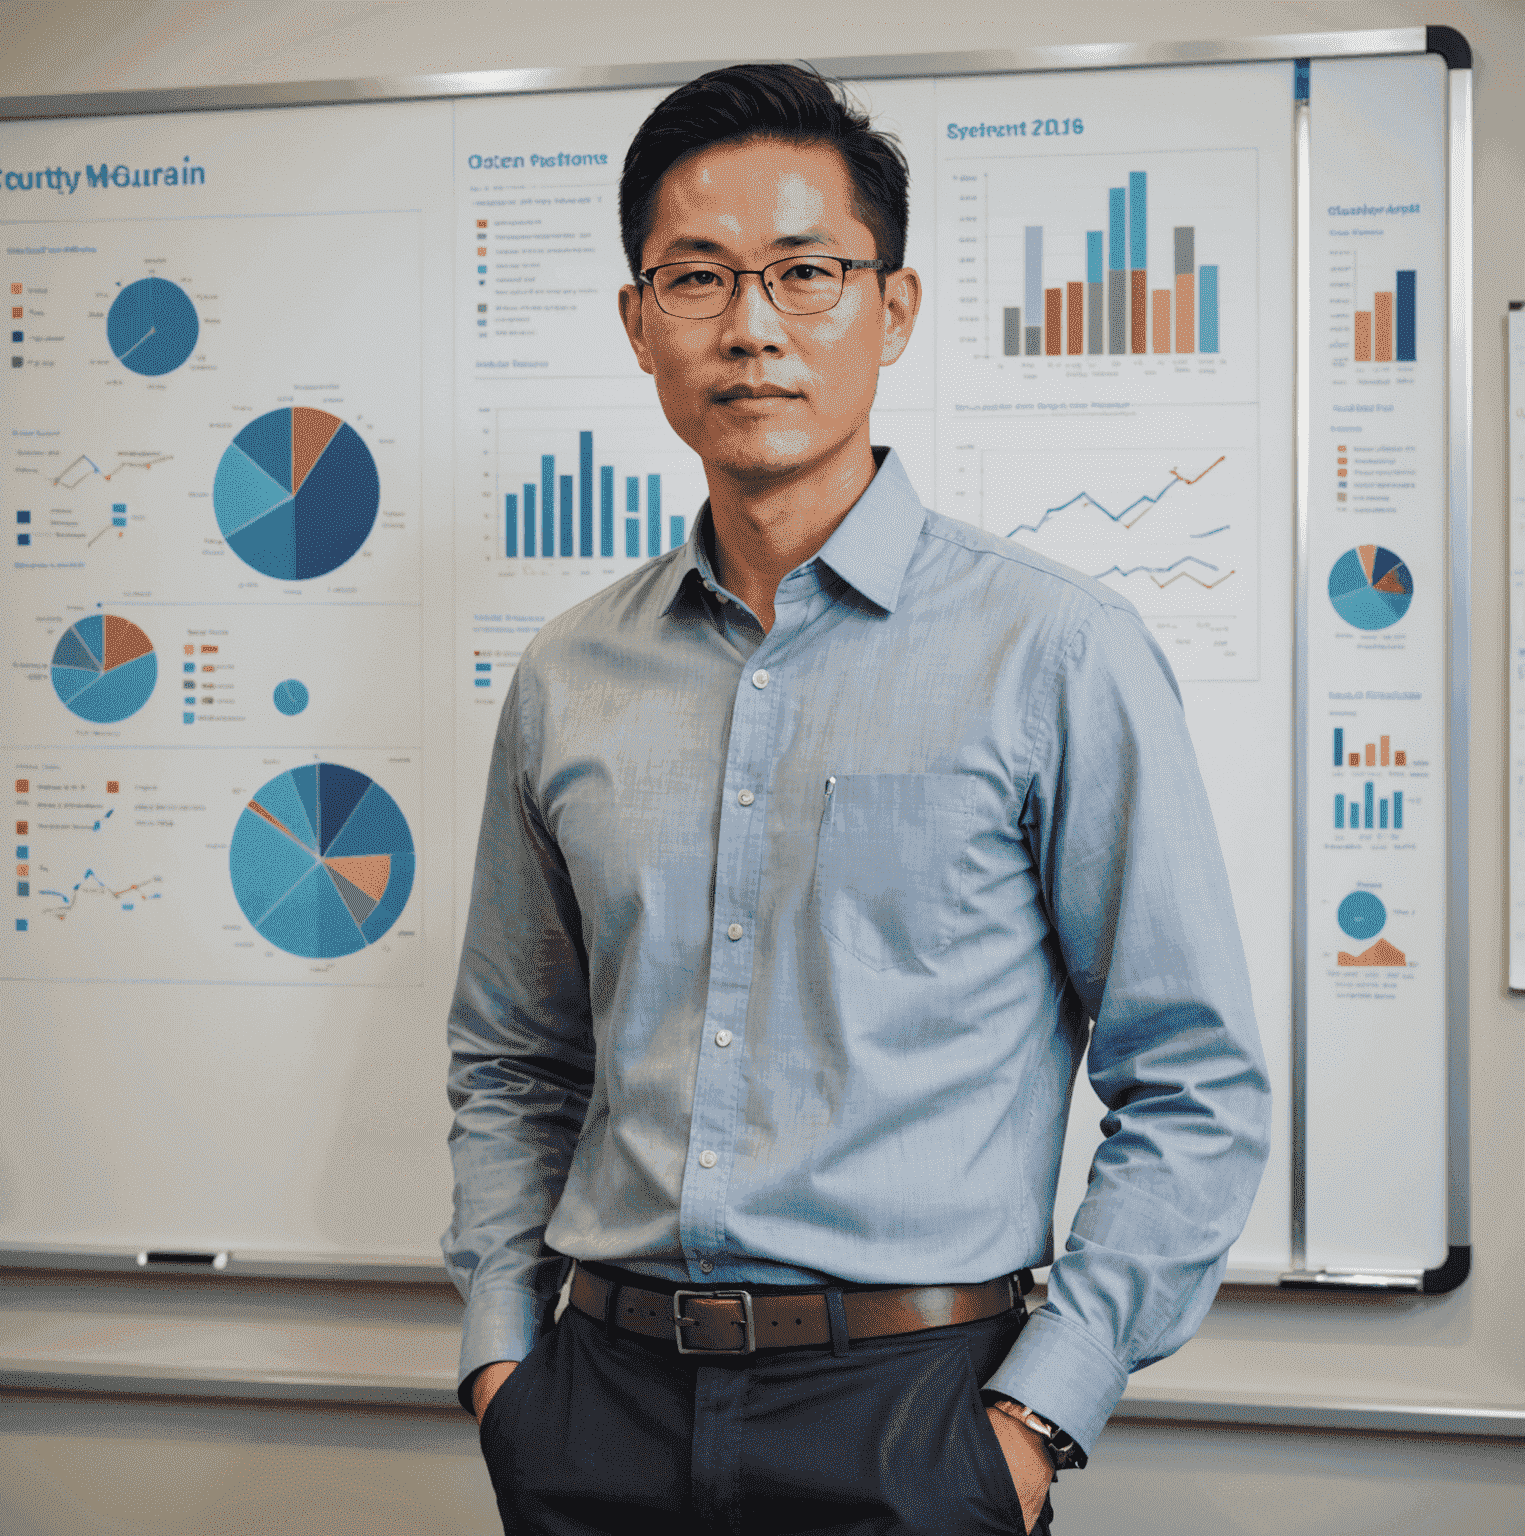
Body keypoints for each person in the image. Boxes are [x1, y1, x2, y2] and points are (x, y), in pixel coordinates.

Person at [443, 62, 1270, 1536]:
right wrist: (507, 1361)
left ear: (890, 308)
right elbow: (514, 1059)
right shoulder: (571, 674)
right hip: (595, 1412)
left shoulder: (1056, 654)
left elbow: (1195, 1084)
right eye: (696, 276)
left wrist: (1028, 1423)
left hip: (916, 1420)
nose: (751, 325)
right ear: (638, 325)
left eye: (806, 272)